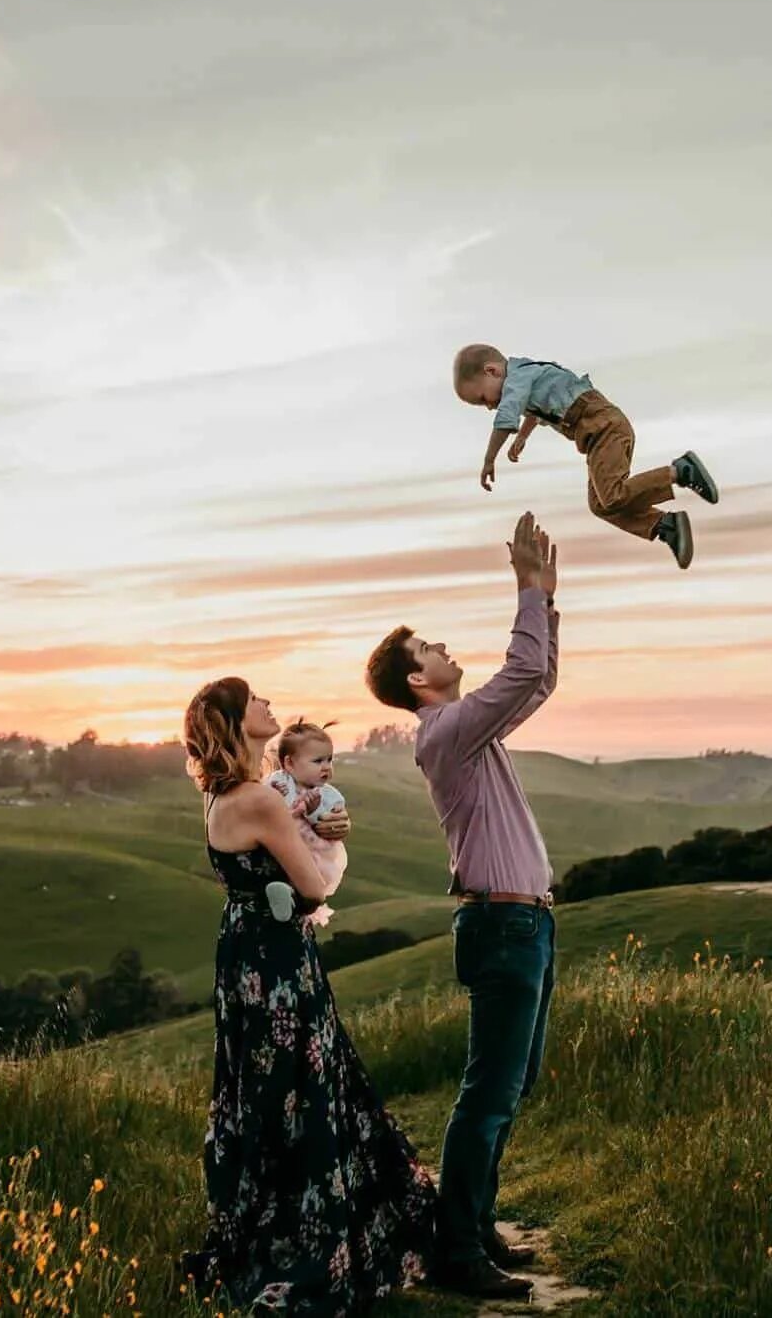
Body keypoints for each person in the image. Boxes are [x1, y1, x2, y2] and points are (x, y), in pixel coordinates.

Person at [178, 678, 436, 1315]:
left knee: (262, 1088)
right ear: (239, 723)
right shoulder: (258, 799)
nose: (269, 703)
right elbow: (315, 888)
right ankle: (311, 1236)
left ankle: (266, 1221)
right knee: (304, 1083)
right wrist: (333, 839)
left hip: (243, 955)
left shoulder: (222, 796)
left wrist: (321, 818)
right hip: (278, 960)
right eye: (256, 700)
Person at [362, 511, 560, 1300]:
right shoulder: (444, 731)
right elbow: (518, 677)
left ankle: (474, 1227)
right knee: (488, 1089)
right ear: (419, 681)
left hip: (526, 922)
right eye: (430, 649)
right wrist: (524, 591)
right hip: (502, 925)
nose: (445, 650)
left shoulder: (469, 731)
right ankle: (457, 1251)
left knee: (512, 1082)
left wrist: (545, 596)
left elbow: (537, 679)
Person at [452, 343, 718, 569]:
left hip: (601, 425)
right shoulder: (526, 375)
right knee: (601, 504)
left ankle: (680, 471)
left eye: (483, 398)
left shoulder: (516, 379)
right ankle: (665, 525)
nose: (488, 406)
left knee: (612, 494)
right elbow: (531, 411)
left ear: (492, 371)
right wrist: (523, 436)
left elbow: (506, 417)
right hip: (595, 435)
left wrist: (489, 459)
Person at [266, 717, 349, 927]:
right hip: (283, 842)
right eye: (318, 761)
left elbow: (330, 824)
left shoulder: (330, 795)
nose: (326, 767)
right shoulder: (278, 781)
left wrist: (313, 812)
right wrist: (275, 794)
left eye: (329, 760)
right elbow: (266, 804)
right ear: (289, 763)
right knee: (282, 866)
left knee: (311, 876)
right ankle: (283, 894)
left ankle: (294, 901)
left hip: (316, 850)